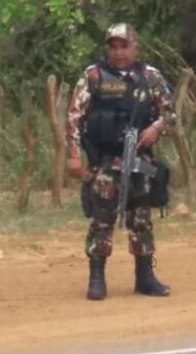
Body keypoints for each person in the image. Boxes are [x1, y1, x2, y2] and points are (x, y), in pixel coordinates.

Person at [66, 23, 175, 300]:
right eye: (113, 47)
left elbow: (169, 112)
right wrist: (74, 155)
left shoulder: (149, 77)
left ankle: (145, 277)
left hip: (139, 160)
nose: (119, 52)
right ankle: (97, 277)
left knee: (141, 219)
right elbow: (74, 116)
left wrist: (155, 128)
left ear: (135, 47)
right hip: (105, 161)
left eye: (124, 46)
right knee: (102, 218)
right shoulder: (94, 76)